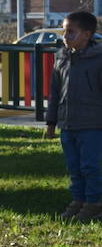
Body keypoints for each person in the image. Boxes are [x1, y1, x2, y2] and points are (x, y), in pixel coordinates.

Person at [45, 11, 102, 222]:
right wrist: (51, 122)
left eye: (71, 32)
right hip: (68, 125)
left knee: (90, 166)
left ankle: (94, 202)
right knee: (74, 167)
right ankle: (78, 200)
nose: (65, 36)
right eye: (64, 32)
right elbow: (55, 93)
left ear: (87, 34)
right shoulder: (62, 59)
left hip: (92, 125)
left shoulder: (98, 60)